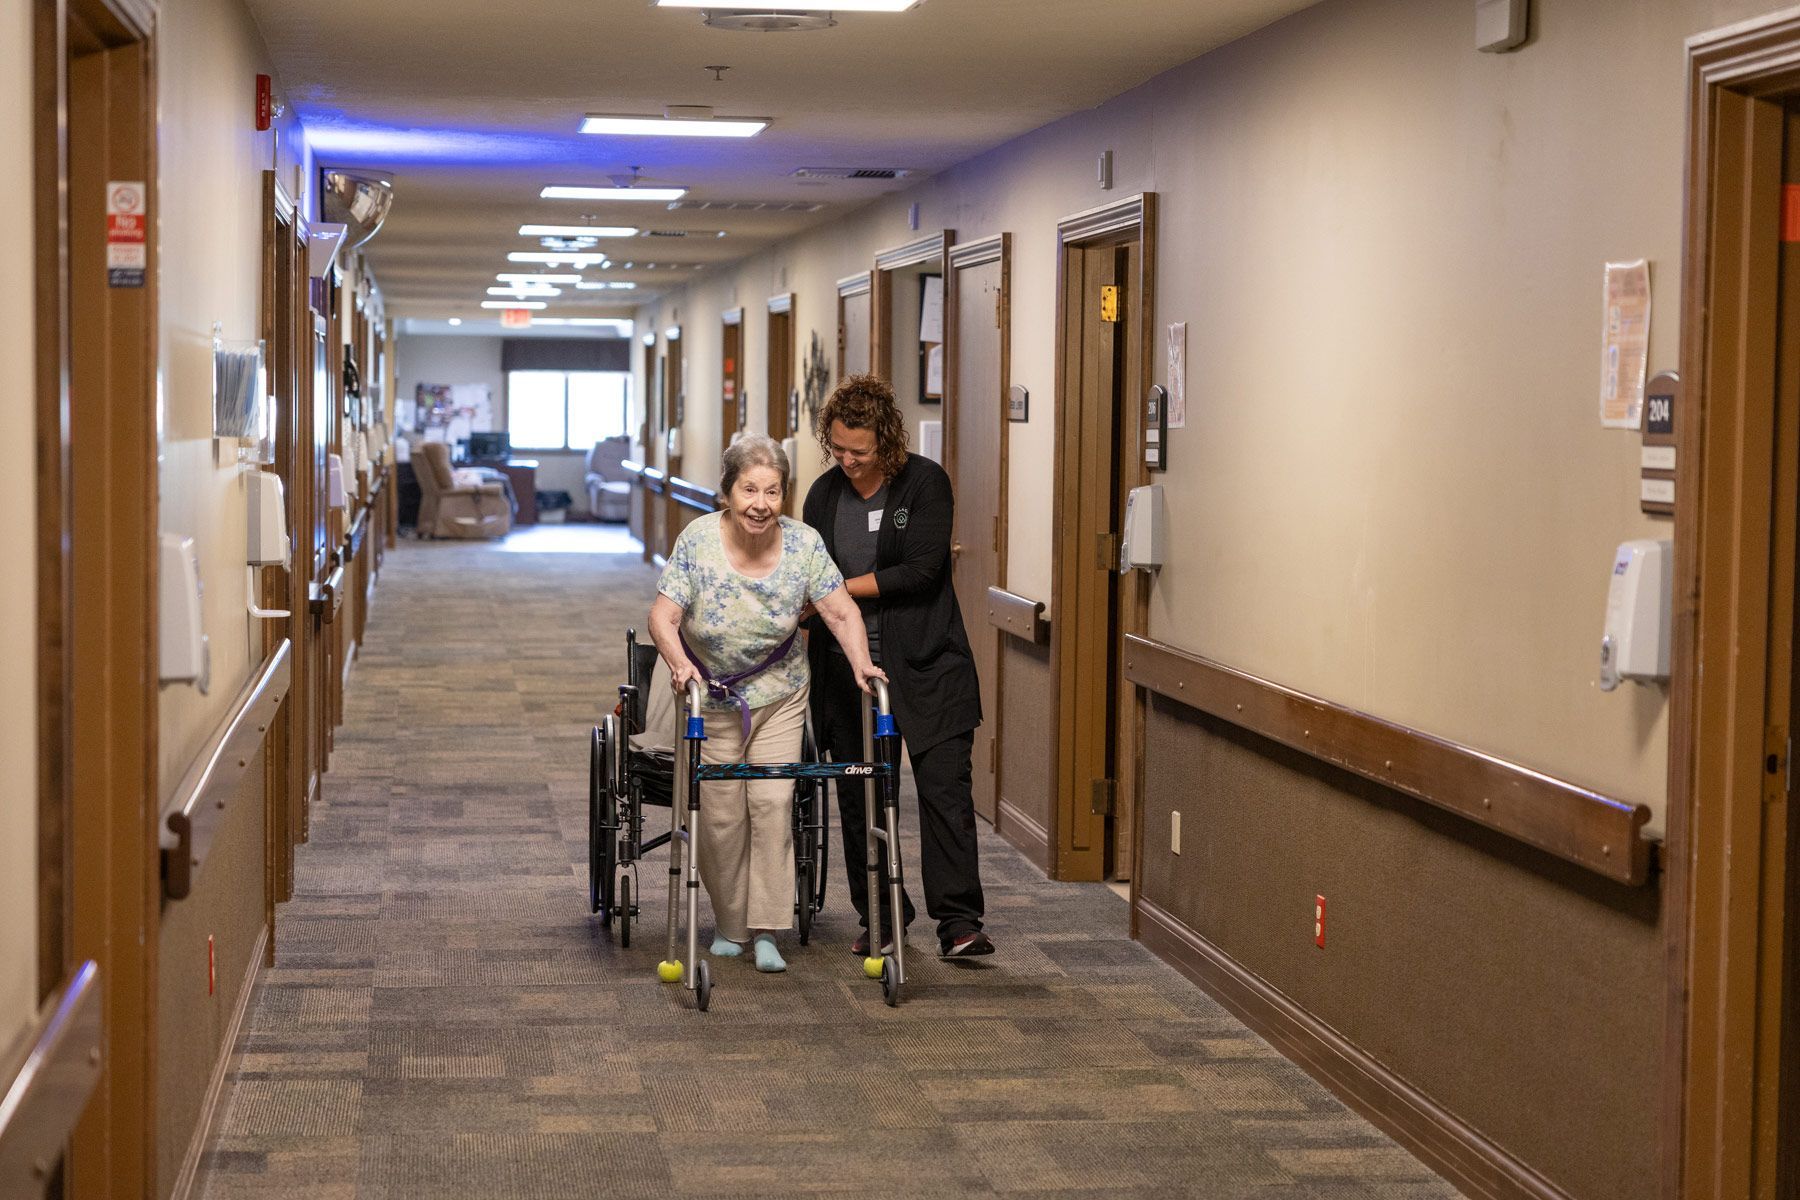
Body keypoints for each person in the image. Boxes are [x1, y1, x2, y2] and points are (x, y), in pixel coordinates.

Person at [649, 435, 884, 972]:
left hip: (779, 694)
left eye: (773, 492)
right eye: (749, 489)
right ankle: (730, 924)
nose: (761, 503)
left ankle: (766, 929)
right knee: (723, 814)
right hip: (710, 696)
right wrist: (679, 664)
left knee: (773, 803)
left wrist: (860, 664)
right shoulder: (699, 541)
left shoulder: (803, 545)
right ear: (727, 493)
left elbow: (841, 612)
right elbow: (662, 617)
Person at [803, 374, 994, 959]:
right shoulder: (823, 494)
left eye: (859, 451)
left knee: (944, 794)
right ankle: (882, 913)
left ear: (887, 440)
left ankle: (959, 921)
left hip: (928, 663)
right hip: (847, 669)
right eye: (838, 448)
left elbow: (921, 571)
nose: (848, 461)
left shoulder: (925, 483)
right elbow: (806, 570)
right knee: (860, 798)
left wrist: (834, 590)